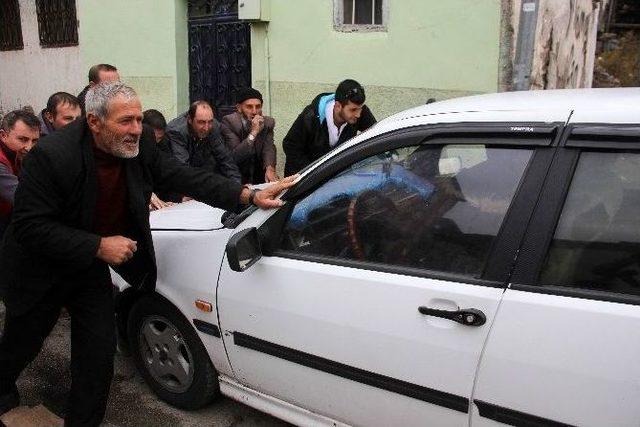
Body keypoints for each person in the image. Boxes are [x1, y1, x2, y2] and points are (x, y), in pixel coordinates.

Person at [0, 82, 295, 426]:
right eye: (126, 121)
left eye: (139, 119)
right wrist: (98, 244)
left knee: (96, 357)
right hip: (41, 268)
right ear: (94, 122)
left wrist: (246, 195)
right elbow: (30, 226)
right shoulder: (50, 156)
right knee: (21, 345)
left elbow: (183, 175)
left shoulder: (137, 148)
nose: (136, 130)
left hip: (89, 270)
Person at [283, 79, 376, 176]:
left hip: (333, 179)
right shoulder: (310, 116)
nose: (358, 114)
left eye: (360, 109)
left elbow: (376, 136)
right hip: (302, 179)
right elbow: (290, 145)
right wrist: (311, 174)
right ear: (338, 106)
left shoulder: (360, 113)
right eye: (353, 110)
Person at [167, 100, 242, 183]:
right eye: (201, 122)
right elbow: (183, 169)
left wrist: (237, 186)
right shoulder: (176, 132)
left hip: (204, 171)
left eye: (210, 121)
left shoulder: (213, 126)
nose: (206, 128)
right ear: (190, 120)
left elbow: (225, 159)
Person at [221, 88, 277, 184]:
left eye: (258, 106)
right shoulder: (229, 122)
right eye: (249, 107)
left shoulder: (268, 122)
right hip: (236, 175)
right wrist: (254, 132)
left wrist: (269, 167)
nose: (254, 111)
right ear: (239, 108)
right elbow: (235, 156)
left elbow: (269, 148)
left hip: (257, 174)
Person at [0, 109, 40, 238]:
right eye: (23, 139)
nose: (29, 147)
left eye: (34, 141)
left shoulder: (19, 155)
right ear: (3, 136)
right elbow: (22, 199)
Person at [142, 109, 175, 209]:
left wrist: (179, 197)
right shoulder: (131, 146)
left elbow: (168, 173)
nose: (155, 143)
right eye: (152, 138)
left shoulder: (164, 143)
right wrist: (147, 194)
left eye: (159, 139)